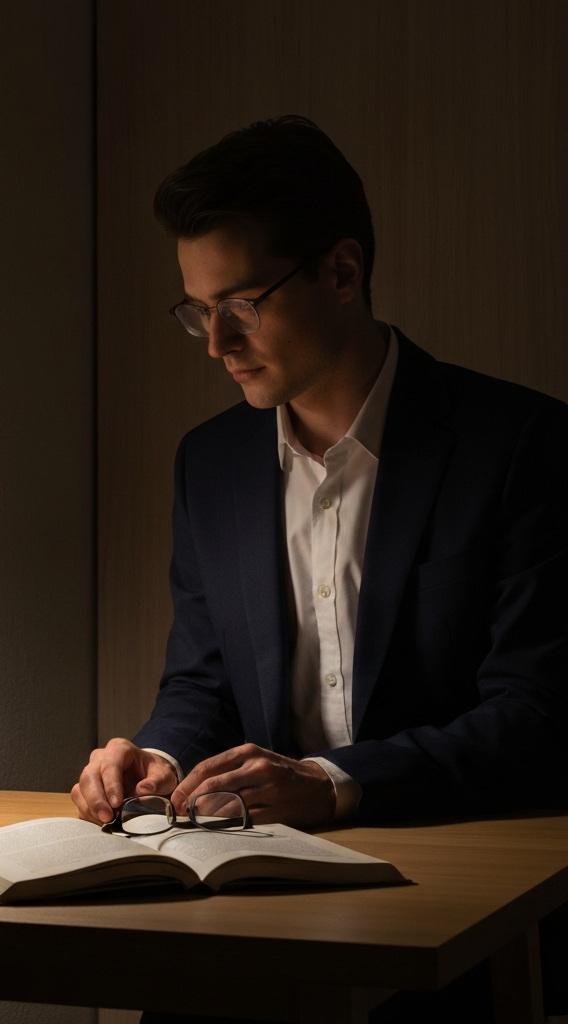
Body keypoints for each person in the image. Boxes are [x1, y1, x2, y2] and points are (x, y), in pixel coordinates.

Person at [72, 116, 567, 1023]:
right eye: (197, 311)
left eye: (242, 305)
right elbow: (202, 677)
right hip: (253, 899)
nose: (217, 342)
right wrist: (156, 753)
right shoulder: (209, 464)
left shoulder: (522, 444)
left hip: (457, 891)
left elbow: (537, 716)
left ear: (343, 271)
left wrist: (333, 783)